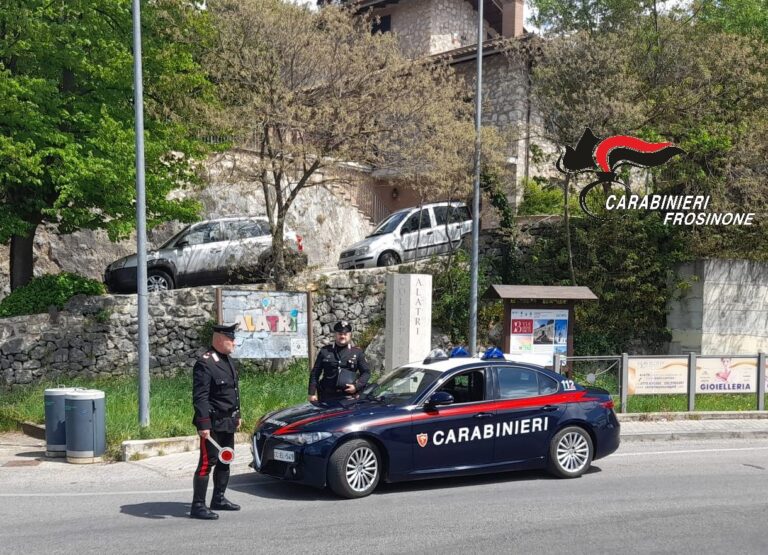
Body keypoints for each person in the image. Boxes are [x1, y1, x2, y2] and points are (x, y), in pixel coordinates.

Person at [190, 323, 242, 520]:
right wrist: (203, 424)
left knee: (225, 459)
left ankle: (218, 498)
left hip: (228, 421)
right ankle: (198, 505)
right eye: (231, 339)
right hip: (212, 423)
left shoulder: (227, 360)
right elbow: (200, 397)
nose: (234, 343)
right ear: (220, 339)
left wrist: (237, 415)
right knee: (206, 463)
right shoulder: (205, 363)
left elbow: (233, 392)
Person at [308, 320, 371, 403]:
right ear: (335, 335)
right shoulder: (325, 351)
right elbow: (315, 373)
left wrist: (357, 386)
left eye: (345, 334)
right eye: (340, 334)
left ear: (350, 335)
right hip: (327, 396)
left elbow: (366, 372)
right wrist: (312, 393)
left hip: (348, 397)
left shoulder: (357, 352)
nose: (342, 336)